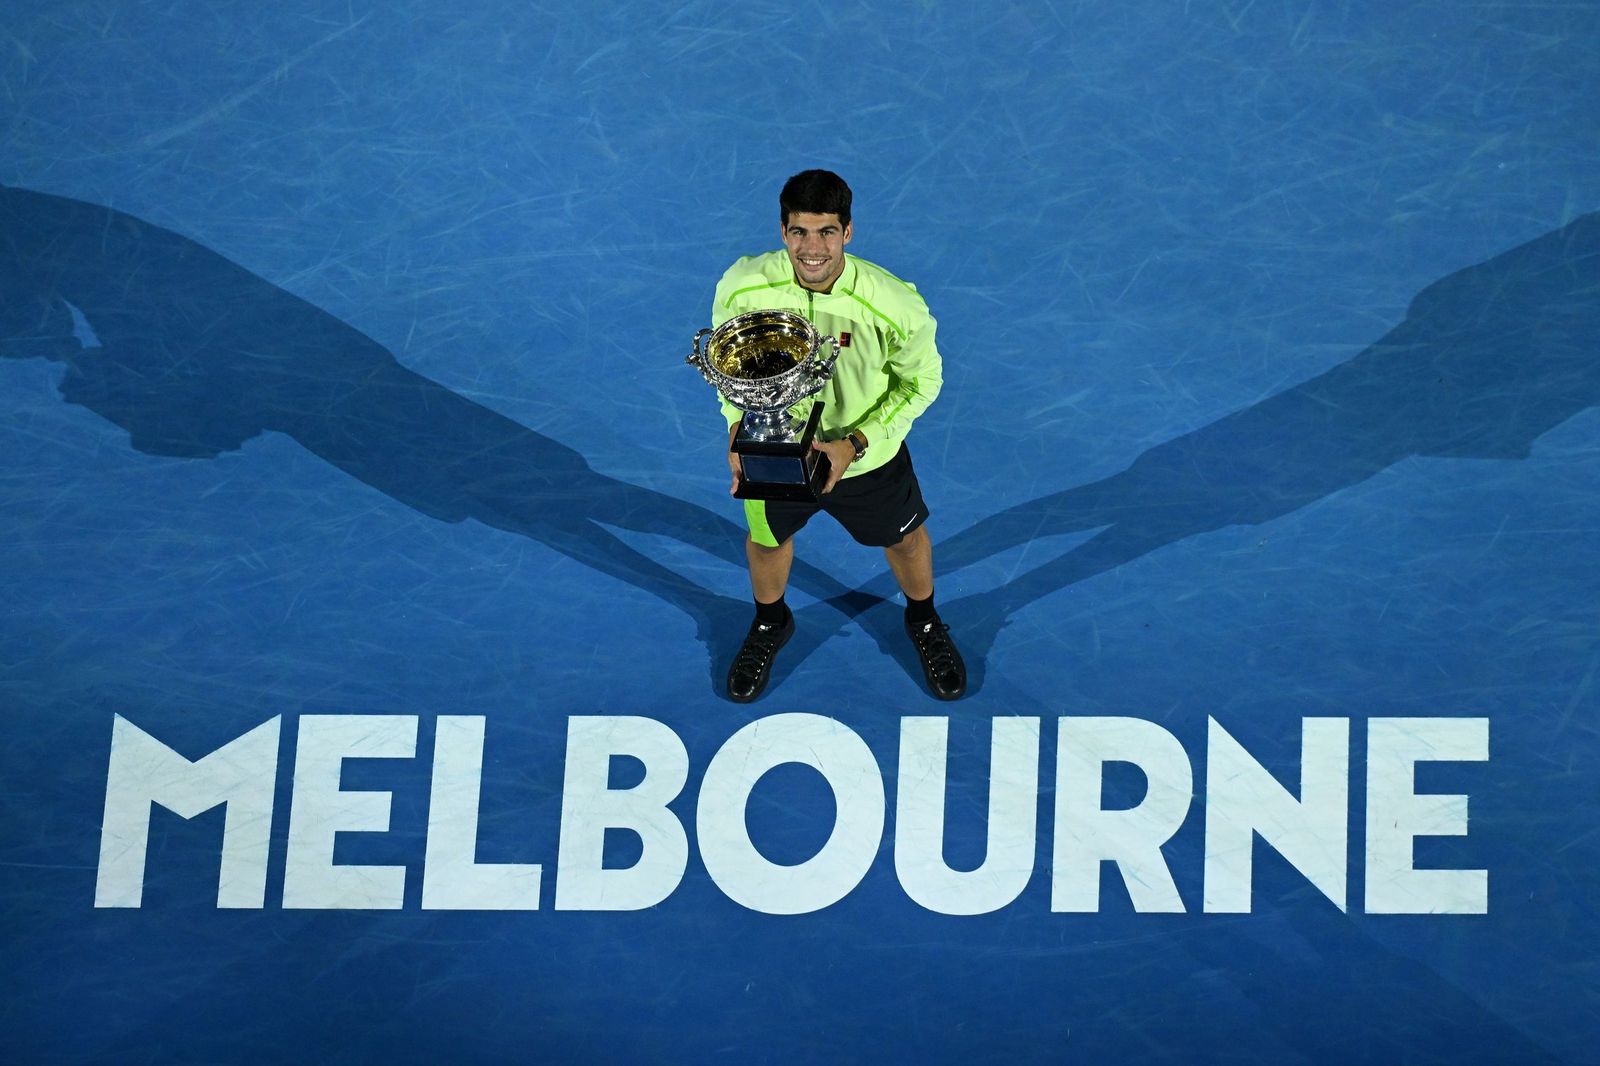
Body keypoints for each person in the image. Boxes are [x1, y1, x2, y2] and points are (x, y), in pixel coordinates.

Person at [710, 169, 966, 703]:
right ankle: (770, 622)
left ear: (848, 232)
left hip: (865, 456)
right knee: (766, 539)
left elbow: (924, 381)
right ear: (783, 231)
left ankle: (923, 620)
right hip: (775, 446)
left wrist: (856, 443)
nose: (812, 248)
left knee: (905, 537)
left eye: (826, 232)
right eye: (799, 232)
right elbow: (729, 367)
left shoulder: (894, 303)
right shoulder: (743, 285)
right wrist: (738, 427)